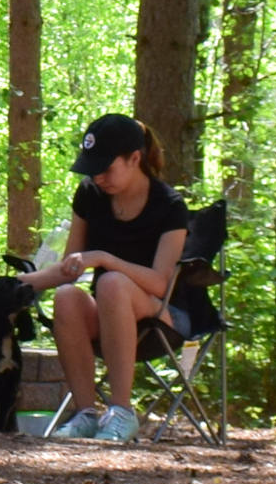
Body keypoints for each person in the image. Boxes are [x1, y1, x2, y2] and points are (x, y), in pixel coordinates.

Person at [32, 113, 187, 443]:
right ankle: (86, 414)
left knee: (112, 281)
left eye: (106, 167)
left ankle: (121, 412)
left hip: (159, 316)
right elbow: (69, 268)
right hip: (108, 313)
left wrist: (105, 258)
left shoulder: (169, 205)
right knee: (67, 296)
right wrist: (17, 286)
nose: (98, 177)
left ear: (135, 158)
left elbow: (161, 283)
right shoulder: (90, 195)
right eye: (92, 168)